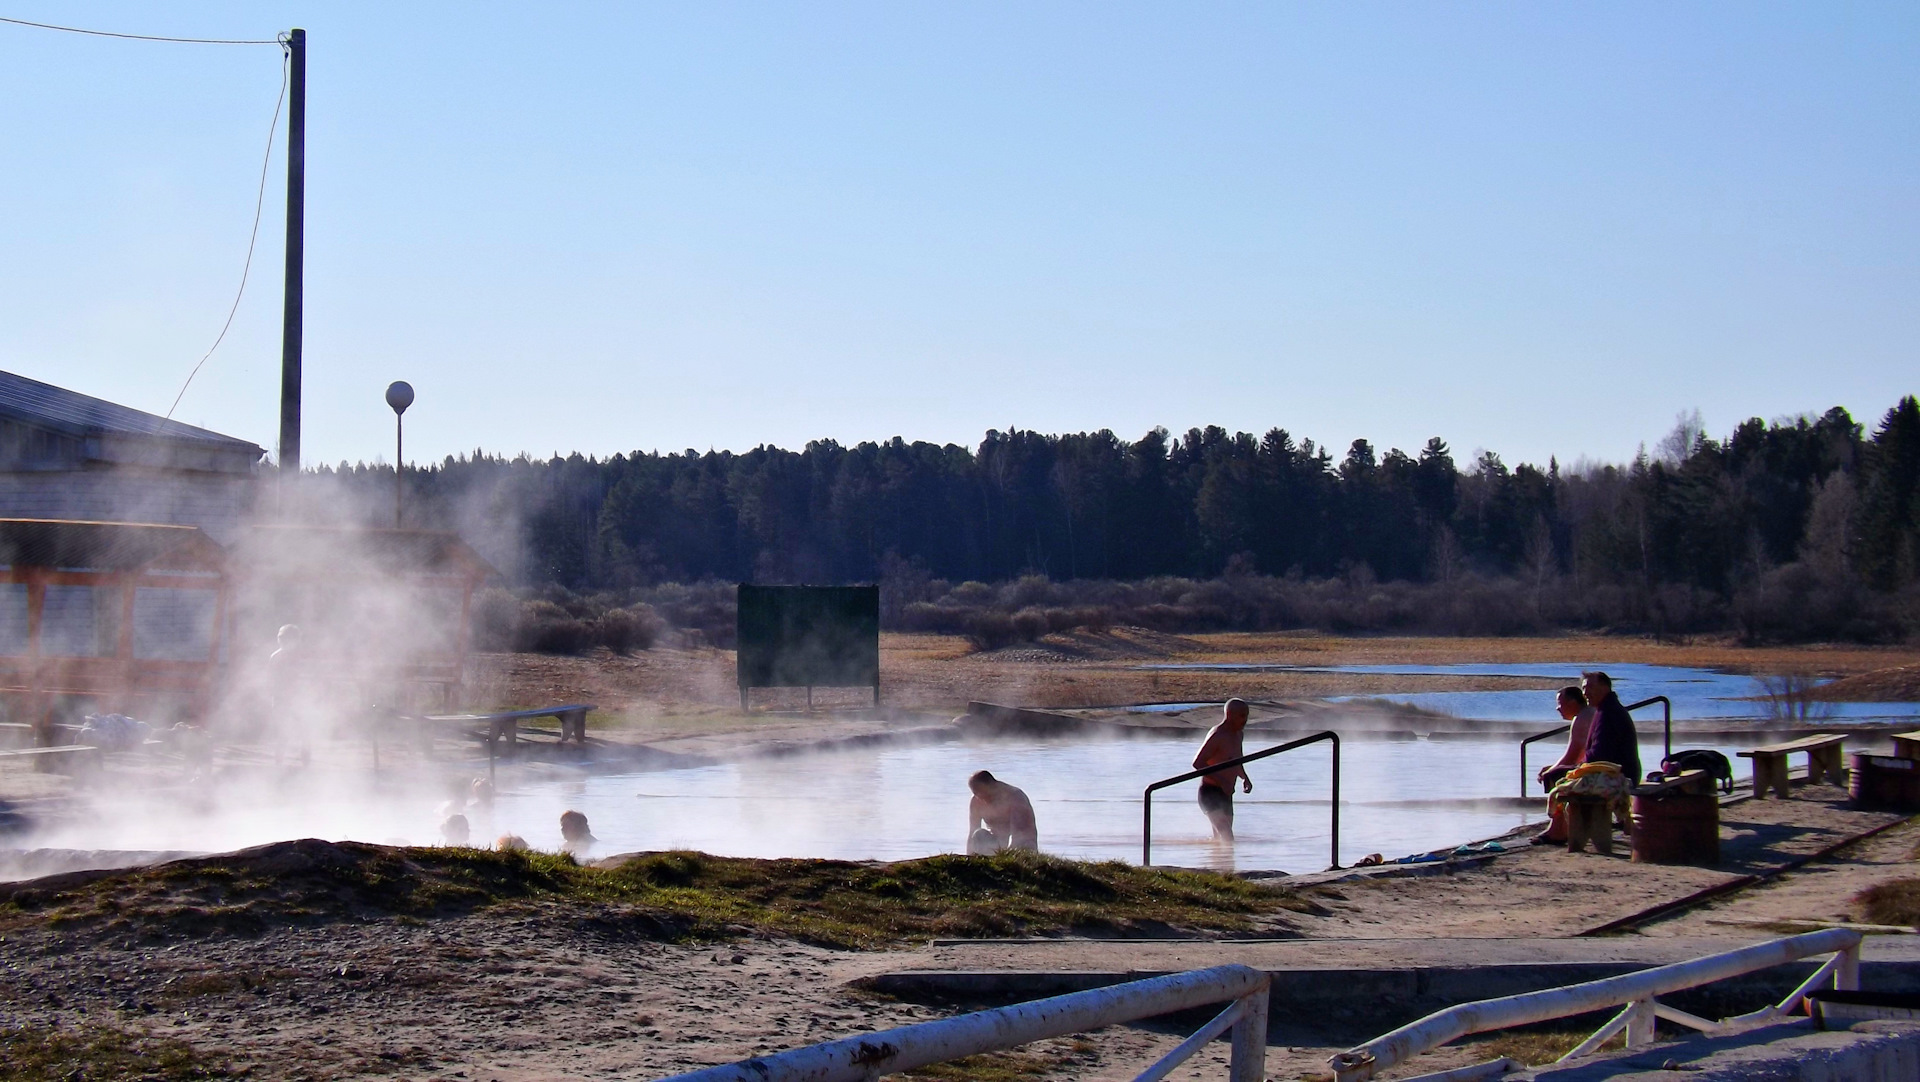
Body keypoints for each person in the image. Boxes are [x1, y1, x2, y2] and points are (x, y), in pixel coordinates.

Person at [1531, 686, 1592, 845]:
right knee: (1555, 771)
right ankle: (1562, 825)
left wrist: (1550, 771)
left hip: (1601, 770)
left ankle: (1558, 829)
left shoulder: (1581, 718)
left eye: (1560, 703)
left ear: (1573, 702)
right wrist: (1553, 766)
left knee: (1554, 776)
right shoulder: (1587, 714)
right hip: (1602, 766)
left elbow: (1572, 755)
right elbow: (1577, 756)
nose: (1557, 708)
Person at [1193, 699, 1253, 842]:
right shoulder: (1218, 735)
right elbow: (1197, 763)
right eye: (1241, 716)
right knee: (1228, 837)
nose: (1245, 720)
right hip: (1210, 792)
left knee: (1220, 839)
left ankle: (1219, 863)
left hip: (1226, 794)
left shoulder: (1239, 734)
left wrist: (1244, 777)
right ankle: (1226, 863)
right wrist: (1222, 781)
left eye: (1246, 715)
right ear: (1229, 714)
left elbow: (1237, 759)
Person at [1580, 671, 1642, 786]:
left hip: (1622, 776)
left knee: (1559, 780)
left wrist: (1576, 766)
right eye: (1583, 688)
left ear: (1605, 688)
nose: (1585, 693)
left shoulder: (1609, 712)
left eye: (1590, 687)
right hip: (1621, 773)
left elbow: (1600, 754)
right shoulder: (1605, 708)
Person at [965, 771, 1038, 853]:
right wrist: (968, 857)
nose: (981, 797)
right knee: (978, 834)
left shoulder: (1016, 797)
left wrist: (1006, 856)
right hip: (997, 842)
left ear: (993, 785)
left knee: (1022, 841)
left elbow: (1018, 834)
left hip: (1023, 843)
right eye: (976, 793)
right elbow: (972, 830)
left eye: (983, 791)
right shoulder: (976, 800)